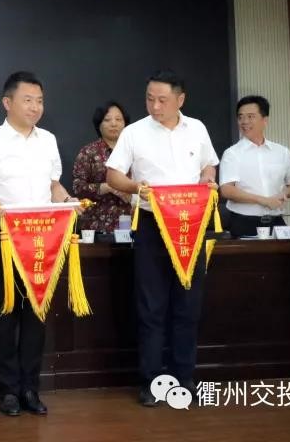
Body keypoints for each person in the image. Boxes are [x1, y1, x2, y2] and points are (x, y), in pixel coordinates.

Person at [0, 71, 80, 417]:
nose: (35, 107)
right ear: (7, 103)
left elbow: (54, 185)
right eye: (27, 100)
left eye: (39, 101)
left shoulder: (48, 141)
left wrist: (67, 200)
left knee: (36, 313)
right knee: (4, 312)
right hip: (3, 235)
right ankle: (8, 389)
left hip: (42, 236)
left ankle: (30, 387)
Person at [105, 70, 219, 406]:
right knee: (151, 306)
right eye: (149, 99)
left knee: (188, 304)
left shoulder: (197, 129)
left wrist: (207, 179)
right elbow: (113, 176)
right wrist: (136, 187)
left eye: (162, 100)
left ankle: (185, 377)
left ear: (180, 100)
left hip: (190, 224)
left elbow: (208, 166)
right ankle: (152, 381)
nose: (155, 106)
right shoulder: (134, 132)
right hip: (152, 224)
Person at [219, 95, 290, 238]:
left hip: (276, 221)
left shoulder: (281, 151)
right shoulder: (232, 153)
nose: (244, 122)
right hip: (244, 221)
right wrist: (264, 200)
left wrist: (282, 195)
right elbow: (227, 190)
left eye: (250, 117)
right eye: (240, 117)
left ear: (265, 120)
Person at [71, 101, 132, 234]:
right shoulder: (88, 152)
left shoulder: (134, 151)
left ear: (125, 124)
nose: (113, 124)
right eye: (107, 120)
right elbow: (77, 188)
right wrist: (108, 186)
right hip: (96, 226)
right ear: (99, 125)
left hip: (132, 225)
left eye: (118, 119)